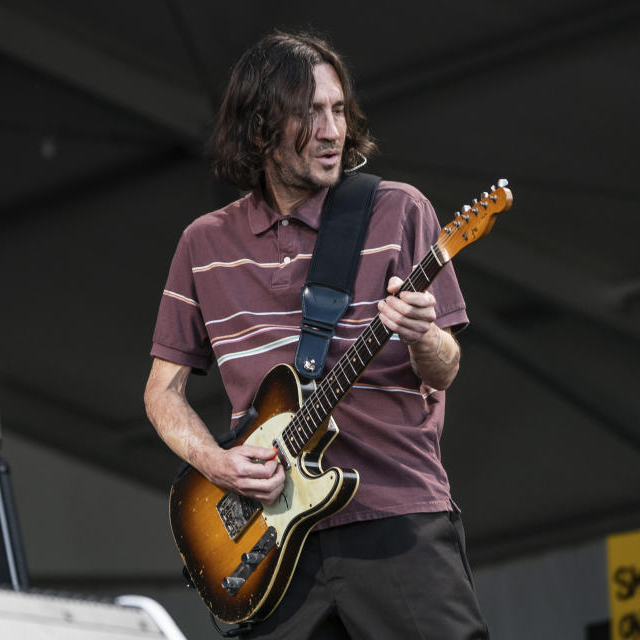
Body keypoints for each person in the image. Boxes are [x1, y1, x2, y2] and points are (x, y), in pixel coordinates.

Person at [144, 31, 489, 639]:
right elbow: (161, 394)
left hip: (395, 515)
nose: (331, 130)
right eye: (309, 115)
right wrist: (218, 464)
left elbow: (444, 368)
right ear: (259, 130)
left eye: (337, 110)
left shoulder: (399, 211)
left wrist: (421, 335)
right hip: (271, 542)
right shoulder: (204, 243)